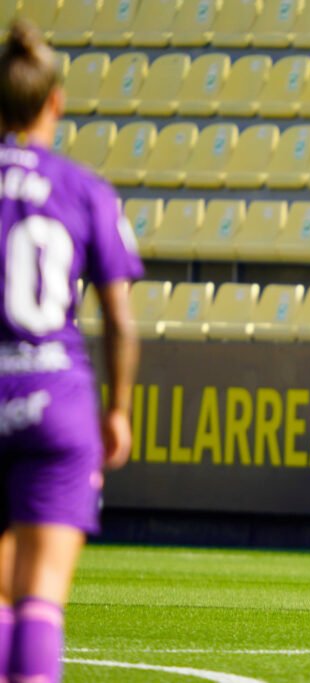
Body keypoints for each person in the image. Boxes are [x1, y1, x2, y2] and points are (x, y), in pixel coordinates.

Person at [0, 19, 143, 682]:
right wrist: (118, 410)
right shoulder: (85, 188)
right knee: (40, 594)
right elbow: (119, 317)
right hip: (58, 400)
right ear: (55, 101)